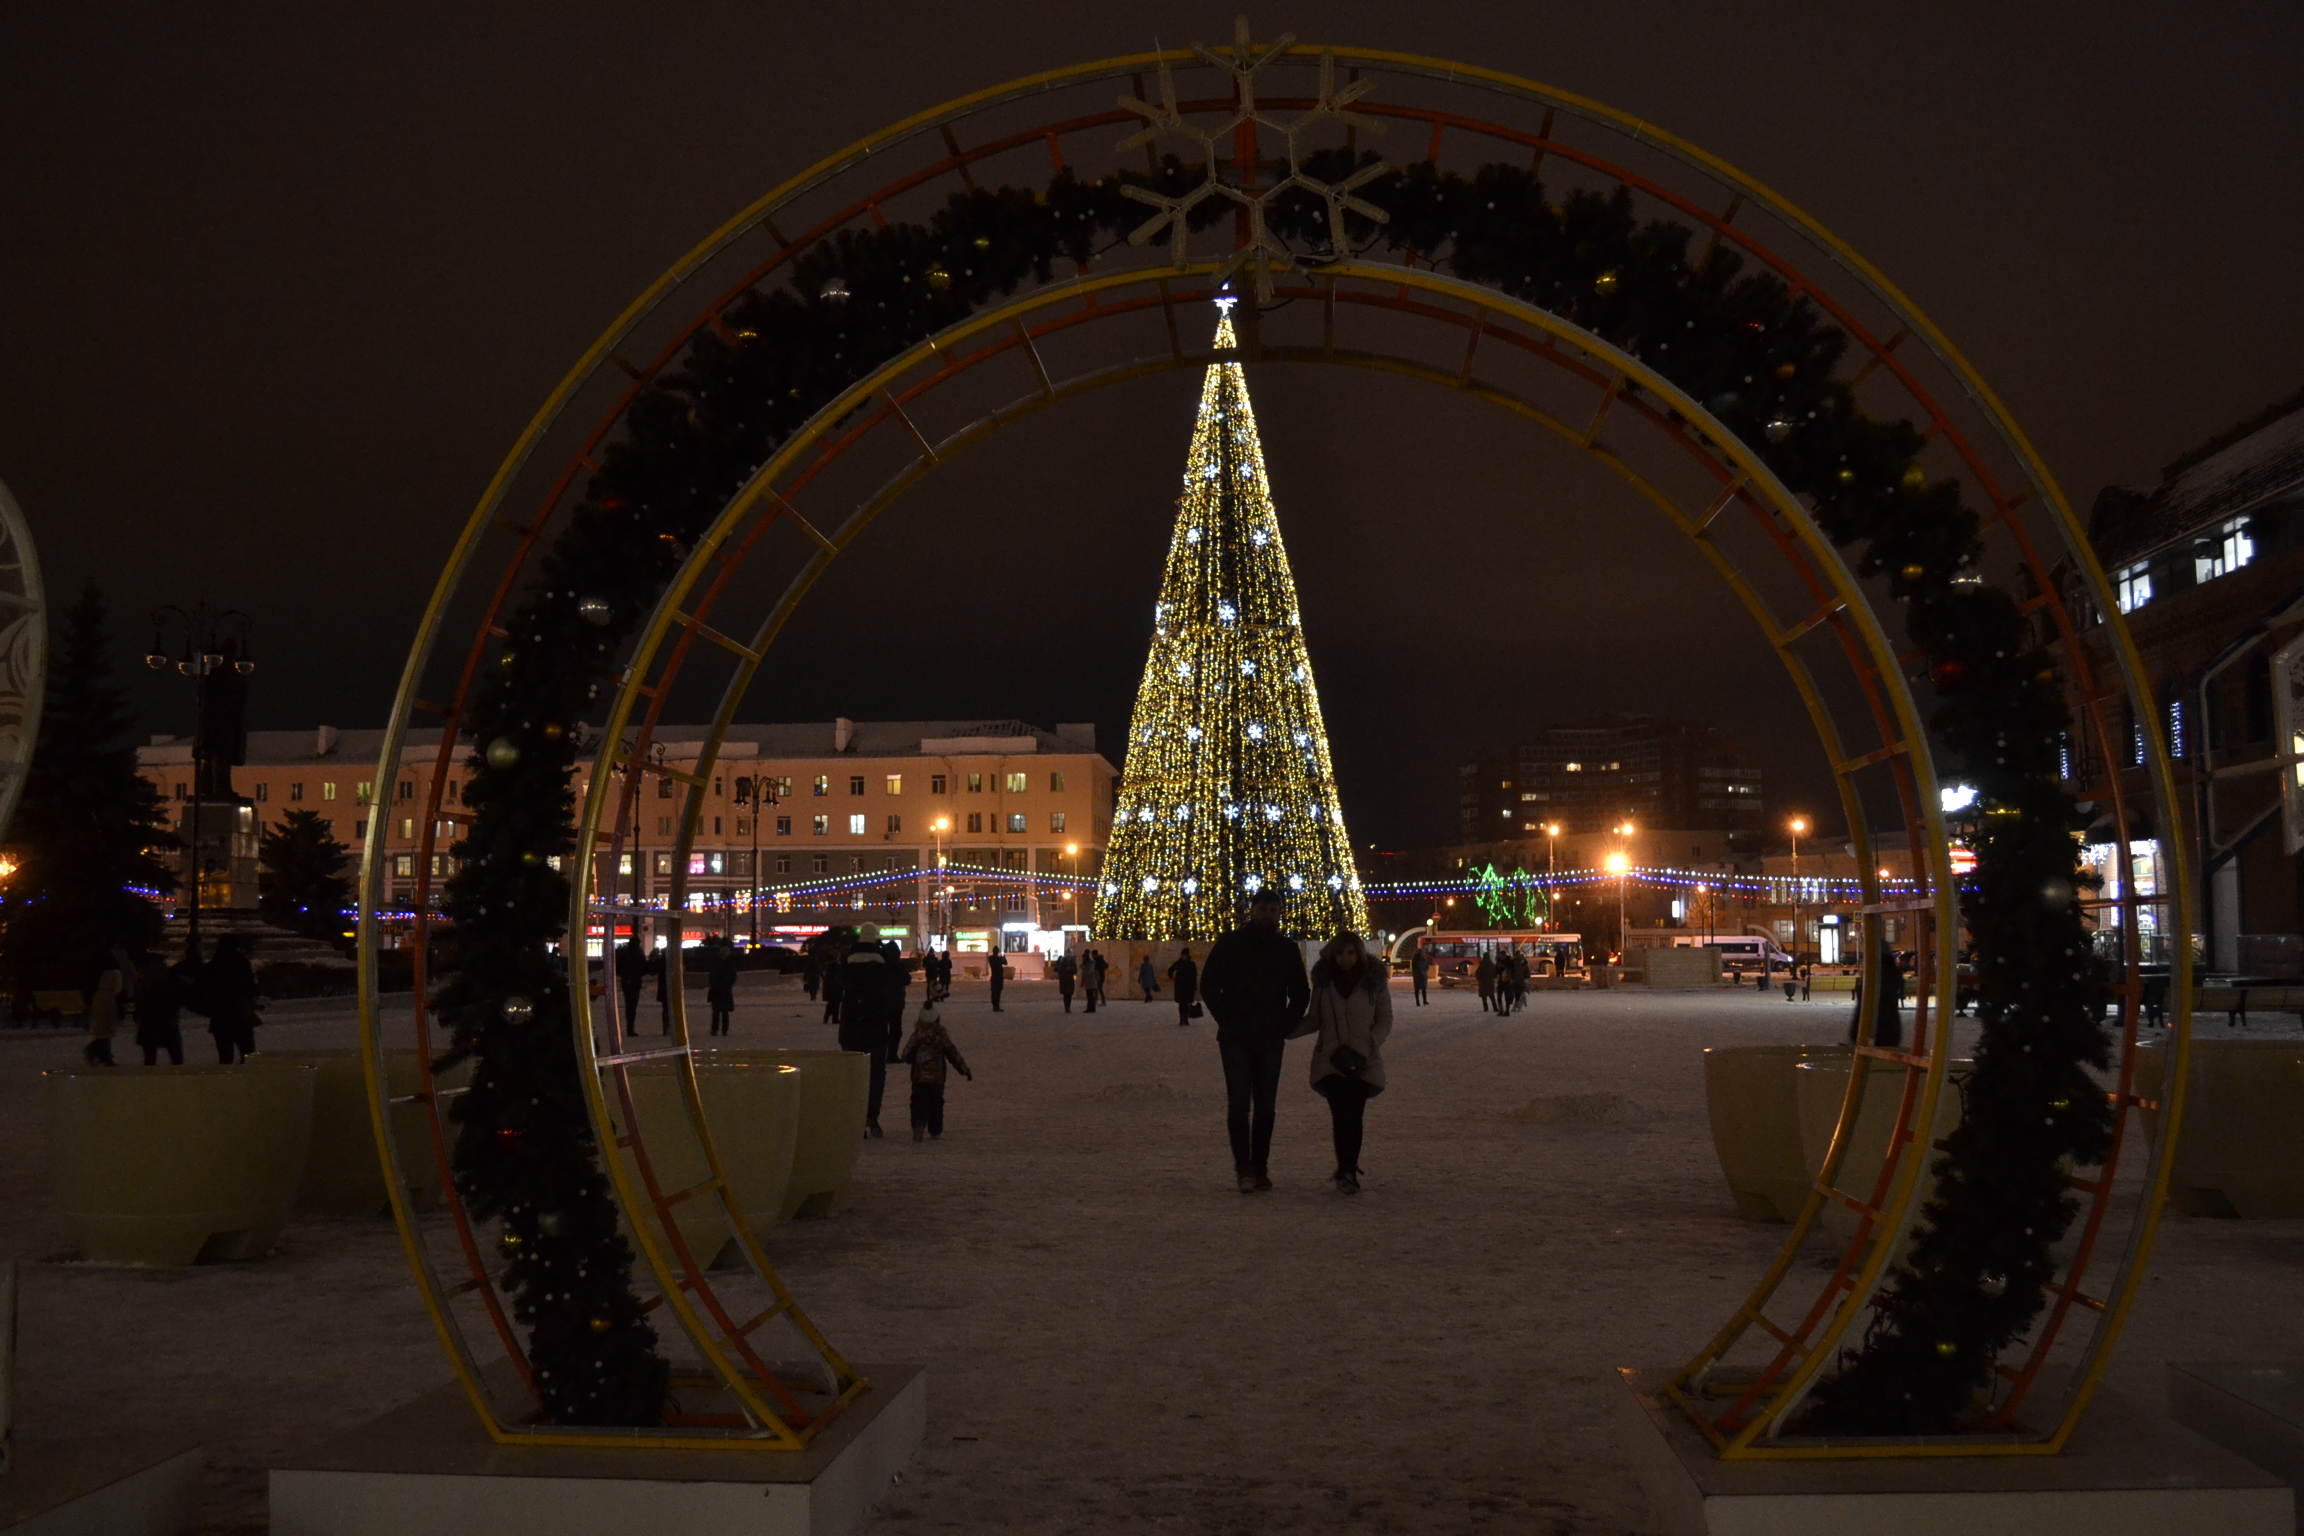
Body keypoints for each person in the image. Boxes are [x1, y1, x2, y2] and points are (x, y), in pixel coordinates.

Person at [1200, 888, 1311, 1194]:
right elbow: (1209, 984)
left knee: (1265, 1107)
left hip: (1270, 1038)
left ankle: (1259, 1167)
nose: (1267, 914)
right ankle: (1243, 1168)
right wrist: (1227, 1018)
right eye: (1263, 909)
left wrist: (1284, 1025)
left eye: (1273, 910)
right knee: (1239, 1106)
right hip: (1236, 1037)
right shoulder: (1231, 943)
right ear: (1252, 910)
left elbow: (1301, 992)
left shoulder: (1286, 948)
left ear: (1279, 913)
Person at [1306, 932, 1392, 1195]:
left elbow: (1384, 1019)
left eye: (1351, 952)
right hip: (1331, 1060)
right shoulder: (1323, 984)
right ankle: (1345, 1169)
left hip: (1362, 1061)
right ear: (1333, 954)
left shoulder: (1374, 983)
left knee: (1353, 1116)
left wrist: (1368, 1045)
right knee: (1340, 1115)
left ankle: (1348, 1169)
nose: (1346, 958)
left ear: (1360, 954)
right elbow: (1314, 1019)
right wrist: (1283, 1032)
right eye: (1341, 953)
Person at [836, 923, 901, 1137]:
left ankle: (853, 1117)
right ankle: (871, 1115)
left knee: (852, 1074)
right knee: (875, 1075)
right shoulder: (882, 967)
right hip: (876, 1028)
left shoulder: (847, 965)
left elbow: (836, 988)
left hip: (851, 1028)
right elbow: (895, 990)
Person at [899, 1001, 973, 1141]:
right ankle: (935, 1129)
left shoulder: (917, 1035)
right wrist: (964, 1070)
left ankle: (918, 1124)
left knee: (918, 1102)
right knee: (936, 1103)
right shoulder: (941, 1036)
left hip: (919, 1077)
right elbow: (952, 1053)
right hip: (937, 1077)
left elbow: (906, 1054)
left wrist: (911, 1058)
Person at [203, 934, 260, 1063]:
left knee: (225, 1056)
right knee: (247, 1054)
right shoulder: (241, 963)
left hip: (221, 1014)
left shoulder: (214, 965)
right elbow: (251, 987)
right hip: (240, 1013)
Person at [135, 954, 186, 1066]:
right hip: (167, 1020)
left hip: (150, 1021)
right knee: (175, 1055)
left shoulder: (145, 981)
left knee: (150, 1056)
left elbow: (140, 999)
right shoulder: (170, 979)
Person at [85, 955, 123, 1067]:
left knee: (104, 1038)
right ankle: (104, 1056)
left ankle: (103, 1056)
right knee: (104, 1039)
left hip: (102, 1021)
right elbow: (110, 1011)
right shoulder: (107, 996)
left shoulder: (101, 994)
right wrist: (113, 1020)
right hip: (105, 1022)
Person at [705, 937, 739, 1037]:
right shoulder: (726, 964)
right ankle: (717, 1030)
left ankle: (722, 1030)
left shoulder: (721, 964)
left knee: (722, 1012)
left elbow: (732, 977)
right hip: (719, 990)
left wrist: (725, 984)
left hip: (722, 990)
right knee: (718, 1012)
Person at [615, 935, 647, 1033]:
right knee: (632, 1006)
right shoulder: (638, 955)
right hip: (635, 982)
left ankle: (629, 1027)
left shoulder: (624, 955)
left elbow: (618, 968)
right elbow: (644, 969)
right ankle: (630, 1027)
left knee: (628, 1005)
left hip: (626, 982)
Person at [1167, 945, 1198, 1027]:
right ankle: (1182, 1019)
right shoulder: (1180, 963)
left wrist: (1194, 987)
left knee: (1186, 1004)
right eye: (1183, 955)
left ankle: (1185, 1019)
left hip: (1187, 987)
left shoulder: (1189, 964)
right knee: (1182, 1004)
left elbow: (1194, 976)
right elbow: (1170, 970)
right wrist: (1173, 978)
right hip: (1181, 987)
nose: (1183, 957)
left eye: (1185, 955)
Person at [986, 945, 1007, 1012]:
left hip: (994, 977)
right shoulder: (998, 959)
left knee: (994, 992)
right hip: (999, 977)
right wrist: (1003, 957)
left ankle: (994, 1006)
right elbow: (1005, 963)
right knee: (998, 993)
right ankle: (996, 1006)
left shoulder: (991, 958)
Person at [1409, 940, 1430, 1007]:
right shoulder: (1416, 960)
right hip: (1419, 976)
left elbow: (1427, 965)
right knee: (1418, 989)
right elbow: (1416, 967)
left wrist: (1425, 970)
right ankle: (1419, 1002)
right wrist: (1423, 971)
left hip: (1421, 976)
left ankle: (1423, 1001)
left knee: (1422, 989)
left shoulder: (1422, 959)